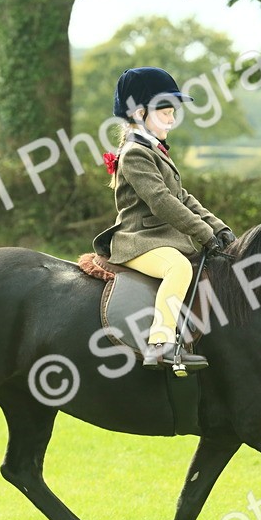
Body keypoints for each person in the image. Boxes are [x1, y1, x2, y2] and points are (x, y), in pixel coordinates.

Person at [92, 67, 236, 371]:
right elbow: (162, 202)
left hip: (163, 239)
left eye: (173, 112)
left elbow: (183, 197)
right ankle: (160, 344)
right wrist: (202, 233)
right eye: (166, 112)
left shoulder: (156, 150)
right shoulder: (135, 153)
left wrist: (218, 227)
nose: (172, 119)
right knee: (179, 267)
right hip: (139, 241)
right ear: (141, 113)